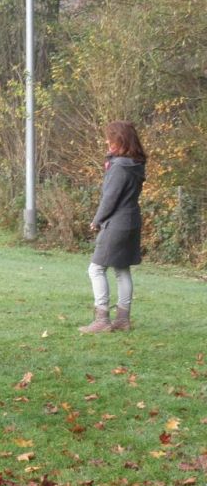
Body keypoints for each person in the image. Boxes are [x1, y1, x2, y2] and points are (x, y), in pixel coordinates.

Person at [79, 120, 147, 334]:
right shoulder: (135, 163)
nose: (107, 143)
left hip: (117, 223)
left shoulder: (120, 167)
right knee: (121, 269)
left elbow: (110, 199)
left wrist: (97, 220)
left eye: (111, 139)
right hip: (131, 220)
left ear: (122, 141)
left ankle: (102, 320)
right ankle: (123, 320)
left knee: (96, 269)